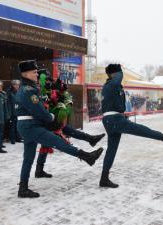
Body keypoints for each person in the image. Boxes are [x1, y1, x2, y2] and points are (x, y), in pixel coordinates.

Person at [15, 60, 103, 198]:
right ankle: (86, 156)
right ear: (25, 73)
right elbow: (38, 109)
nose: (37, 74)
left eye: (37, 72)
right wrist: (51, 117)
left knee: (28, 158)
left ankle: (23, 188)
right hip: (31, 126)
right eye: (34, 72)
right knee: (58, 142)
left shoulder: (27, 88)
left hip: (28, 126)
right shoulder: (28, 90)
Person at [99, 64, 163, 188]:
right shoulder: (112, 84)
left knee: (111, 150)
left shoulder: (109, 86)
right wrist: (118, 71)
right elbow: (118, 77)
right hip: (114, 119)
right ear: (114, 74)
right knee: (142, 130)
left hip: (110, 120)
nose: (121, 75)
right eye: (119, 73)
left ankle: (104, 179)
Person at [34, 69, 105, 178]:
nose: (47, 82)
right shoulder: (36, 89)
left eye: (48, 79)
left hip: (50, 120)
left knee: (59, 137)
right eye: (44, 79)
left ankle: (39, 170)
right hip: (43, 122)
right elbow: (42, 104)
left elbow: (61, 96)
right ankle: (88, 151)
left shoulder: (48, 87)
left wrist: (62, 102)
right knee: (61, 143)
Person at [7, 80, 22, 144]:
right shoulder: (9, 92)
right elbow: (7, 102)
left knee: (18, 126)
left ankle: (18, 138)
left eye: (18, 85)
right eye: (16, 84)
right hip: (12, 111)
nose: (17, 86)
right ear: (13, 85)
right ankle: (12, 139)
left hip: (18, 111)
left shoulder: (19, 91)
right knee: (12, 126)